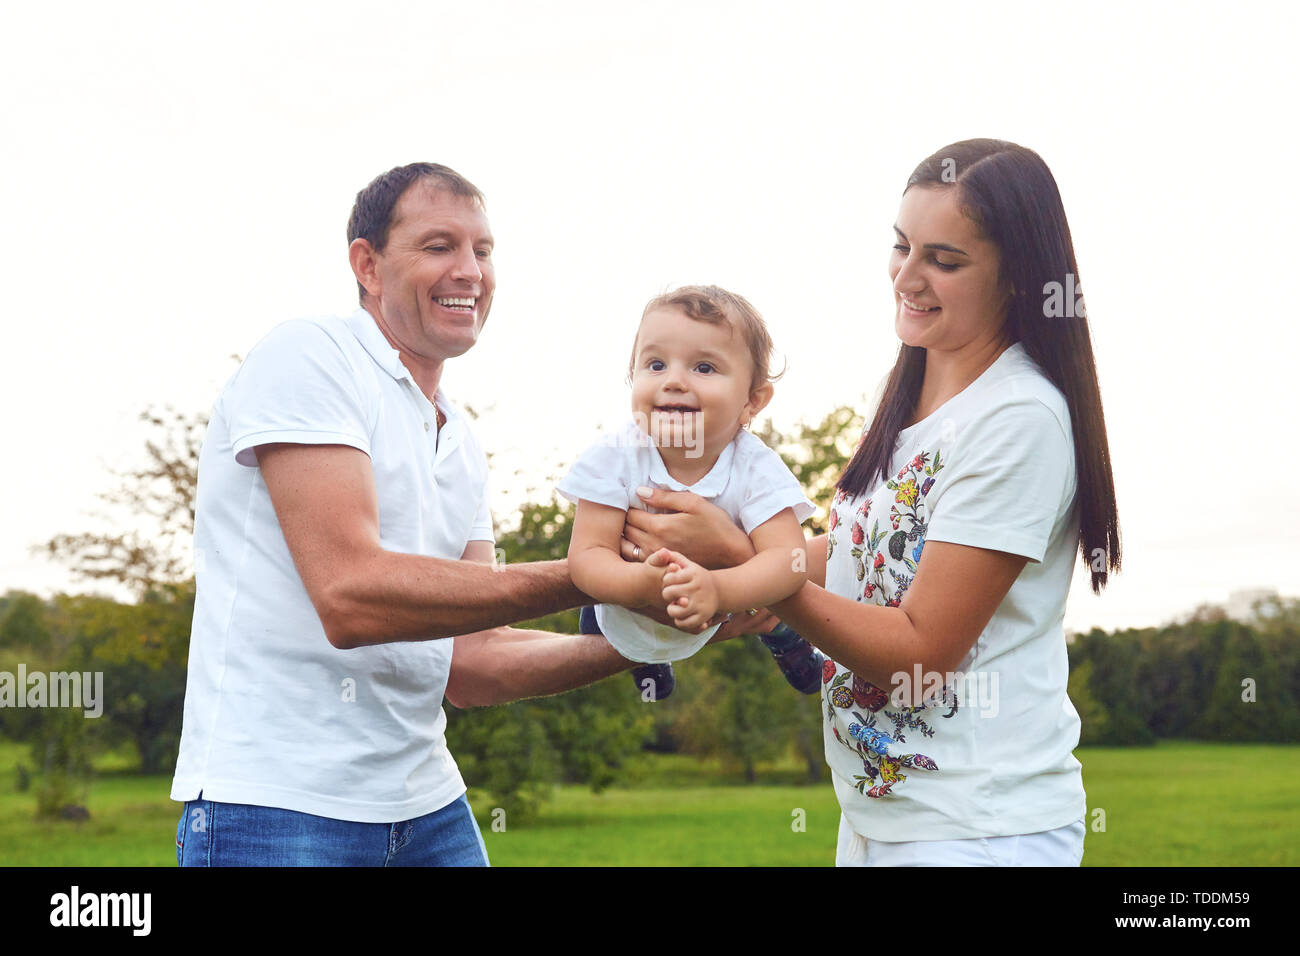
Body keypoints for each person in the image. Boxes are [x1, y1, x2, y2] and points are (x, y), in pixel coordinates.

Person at [168, 163, 764, 867]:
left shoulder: (459, 436)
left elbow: (474, 663)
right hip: (277, 809)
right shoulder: (311, 356)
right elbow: (350, 594)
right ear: (368, 264)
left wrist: (656, 632)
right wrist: (602, 576)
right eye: (438, 246)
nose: (470, 271)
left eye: (483, 250)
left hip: (427, 810)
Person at [618, 139, 1121, 866]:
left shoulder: (1020, 419)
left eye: (944, 260)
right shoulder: (912, 396)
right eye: (901, 246)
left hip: (979, 829)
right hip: (880, 818)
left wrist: (751, 569)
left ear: (1018, 275)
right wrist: (712, 557)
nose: (907, 277)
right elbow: (858, 553)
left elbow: (922, 652)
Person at [557, 286, 823, 700]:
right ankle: (647, 659)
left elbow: (789, 562)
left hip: (724, 606)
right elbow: (587, 557)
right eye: (656, 364)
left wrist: (720, 591)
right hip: (624, 607)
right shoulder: (615, 456)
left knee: (770, 605)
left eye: (703, 367)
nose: (674, 381)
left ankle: (782, 632)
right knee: (596, 611)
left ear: (753, 401)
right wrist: (638, 586)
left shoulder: (755, 467)